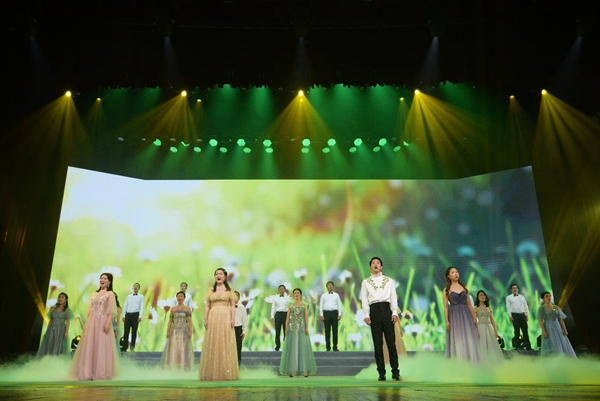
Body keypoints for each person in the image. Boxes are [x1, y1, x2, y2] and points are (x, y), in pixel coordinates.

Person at [69, 273, 119, 380]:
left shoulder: (110, 294)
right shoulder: (93, 294)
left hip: (103, 321)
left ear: (109, 282)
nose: (102, 280)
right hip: (92, 321)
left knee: (101, 345)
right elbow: (89, 310)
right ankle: (87, 372)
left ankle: (100, 372)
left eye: (105, 278)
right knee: (89, 346)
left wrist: (108, 323)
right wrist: (87, 324)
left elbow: (111, 311)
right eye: (101, 278)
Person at [361, 257, 401, 381]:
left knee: (391, 343)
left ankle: (395, 371)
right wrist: (366, 314)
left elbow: (393, 296)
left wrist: (394, 312)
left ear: (381, 266)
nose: (376, 265)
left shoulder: (388, 280)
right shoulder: (366, 282)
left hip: (386, 310)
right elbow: (364, 298)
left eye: (378, 263)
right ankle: (381, 373)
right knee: (378, 345)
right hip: (374, 312)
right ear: (370, 267)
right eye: (373, 263)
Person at [199, 268, 239, 381]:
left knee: (225, 341)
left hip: (225, 316)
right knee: (213, 341)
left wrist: (233, 319)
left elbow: (232, 305)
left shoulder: (229, 289)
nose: (218, 275)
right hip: (213, 316)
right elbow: (207, 305)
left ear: (225, 277)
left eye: (220, 274)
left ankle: (225, 372)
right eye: (216, 274)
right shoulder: (211, 290)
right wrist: (206, 319)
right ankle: (211, 372)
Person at [443, 266, 480, 363]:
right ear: (448, 276)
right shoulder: (446, 290)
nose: (456, 274)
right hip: (454, 316)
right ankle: (459, 362)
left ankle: (470, 361)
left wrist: (474, 317)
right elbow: (445, 307)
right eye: (453, 272)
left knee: (468, 337)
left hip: (466, 315)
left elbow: (469, 304)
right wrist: (447, 321)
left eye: (457, 272)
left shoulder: (464, 288)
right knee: (457, 337)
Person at [279, 288, 317, 377]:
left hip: (301, 327)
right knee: (292, 347)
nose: (296, 294)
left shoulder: (304, 304)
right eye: (295, 293)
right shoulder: (290, 304)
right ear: (293, 295)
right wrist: (286, 328)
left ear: (300, 294)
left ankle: (304, 370)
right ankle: (292, 370)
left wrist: (307, 327)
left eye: (298, 293)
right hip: (292, 327)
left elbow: (306, 316)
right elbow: (288, 317)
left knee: (303, 347)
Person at [161, 291, 194, 370]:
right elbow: (170, 321)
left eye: (181, 296)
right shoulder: (173, 309)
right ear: (176, 298)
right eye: (178, 296)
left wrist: (190, 331)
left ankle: (183, 367)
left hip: (184, 331)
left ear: (184, 298)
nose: (179, 298)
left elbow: (190, 321)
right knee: (174, 348)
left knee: (183, 348)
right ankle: (173, 366)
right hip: (174, 331)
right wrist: (168, 331)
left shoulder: (187, 309)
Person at [538, 291, 577, 358]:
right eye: (546, 296)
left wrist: (565, 329)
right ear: (543, 299)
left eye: (549, 296)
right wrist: (544, 331)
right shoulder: (541, 308)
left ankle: (564, 358)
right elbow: (540, 321)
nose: (549, 297)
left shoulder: (556, 307)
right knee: (552, 343)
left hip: (557, 326)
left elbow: (560, 319)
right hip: (549, 327)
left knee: (562, 342)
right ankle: (555, 359)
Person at [37, 292, 71, 357]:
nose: (60, 298)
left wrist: (66, 332)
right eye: (59, 297)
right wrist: (47, 330)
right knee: (49, 343)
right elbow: (51, 320)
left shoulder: (67, 310)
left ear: (65, 300)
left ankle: (55, 359)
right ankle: (47, 358)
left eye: (62, 297)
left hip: (60, 329)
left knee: (58, 344)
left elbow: (68, 321)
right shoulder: (53, 309)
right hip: (52, 328)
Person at [474, 290, 504, 362]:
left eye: (484, 295)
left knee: (491, 343)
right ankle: (483, 361)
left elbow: (492, 320)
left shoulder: (489, 307)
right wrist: (476, 331)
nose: (483, 296)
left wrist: (496, 332)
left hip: (489, 327)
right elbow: (474, 321)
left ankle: (492, 360)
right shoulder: (475, 308)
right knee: (482, 344)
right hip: (481, 327)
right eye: (481, 295)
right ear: (478, 297)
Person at [505, 283, 532, 350]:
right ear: (511, 289)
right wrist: (510, 315)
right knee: (516, 331)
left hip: (522, 315)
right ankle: (517, 346)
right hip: (515, 315)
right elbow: (508, 307)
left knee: (525, 331)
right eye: (513, 288)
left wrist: (527, 314)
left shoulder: (522, 297)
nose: (515, 289)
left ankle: (528, 346)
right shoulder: (508, 297)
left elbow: (525, 305)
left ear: (518, 289)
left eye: (516, 288)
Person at [121, 282, 144, 352]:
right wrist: (123, 315)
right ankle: (124, 347)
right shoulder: (128, 296)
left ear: (139, 288)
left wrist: (140, 316)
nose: (135, 287)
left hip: (135, 315)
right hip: (128, 314)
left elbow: (142, 307)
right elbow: (125, 305)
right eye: (134, 286)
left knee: (134, 332)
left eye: (137, 286)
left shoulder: (141, 297)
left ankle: (132, 347)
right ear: (132, 288)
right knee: (126, 332)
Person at [319, 281, 342, 352]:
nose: (330, 286)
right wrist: (321, 314)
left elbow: (339, 305)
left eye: (331, 285)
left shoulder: (336, 295)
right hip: (326, 313)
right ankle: (328, 347)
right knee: (327, 331)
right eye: (328, 285)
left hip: (334, 313)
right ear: (326, 287)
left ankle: (335, 347)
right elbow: (321, 305)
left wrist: (339, 314)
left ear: (333, 286)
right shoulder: (323, 295)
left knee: (335, 331)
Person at [270, 284, 289, 351]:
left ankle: (286, 346)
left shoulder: (288, 298)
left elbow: (290, 308)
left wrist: (290, 317)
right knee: (277, 331)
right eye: (280, 289)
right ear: (278, 290)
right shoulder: (275, 298)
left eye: (283, 289)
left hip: (285, 314)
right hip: (278, 315)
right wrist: (272, 316)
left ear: (285, 290)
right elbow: (273, 308)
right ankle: (277, 346)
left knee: (286, 331)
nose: (281, 290)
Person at [234, 291, 248, 364]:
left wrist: (244, 331)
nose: (235, 297)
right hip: (229, 329)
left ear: (239, 298)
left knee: (238, 348)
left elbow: (244, 320)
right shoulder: (227, 307)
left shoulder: (242, 307)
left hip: (238, 329)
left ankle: (238, 366)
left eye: (236, 296)